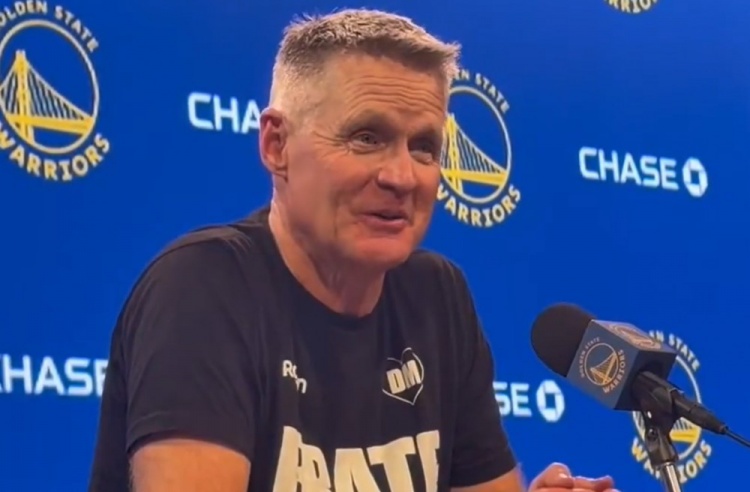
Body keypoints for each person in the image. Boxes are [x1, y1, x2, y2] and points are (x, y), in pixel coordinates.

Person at [88, 8, 619, 492]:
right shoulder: (203, 289)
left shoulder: (437, 297)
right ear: (276, 145)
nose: (401, 176)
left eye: (424, 147)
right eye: (367, 138)